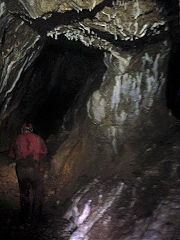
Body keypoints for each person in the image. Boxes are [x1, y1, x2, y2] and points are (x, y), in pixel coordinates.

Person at [9, 122, 48, 223]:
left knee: (24, 192)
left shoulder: (17, 139)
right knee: (38, 192)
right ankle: (36, 216)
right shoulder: (38, 138)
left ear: (22, 130)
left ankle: (24, 216)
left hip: (21, 170)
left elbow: (11, 155)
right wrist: (38, 160)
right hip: (34, 169)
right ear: (31, 130)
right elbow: (44, 152)